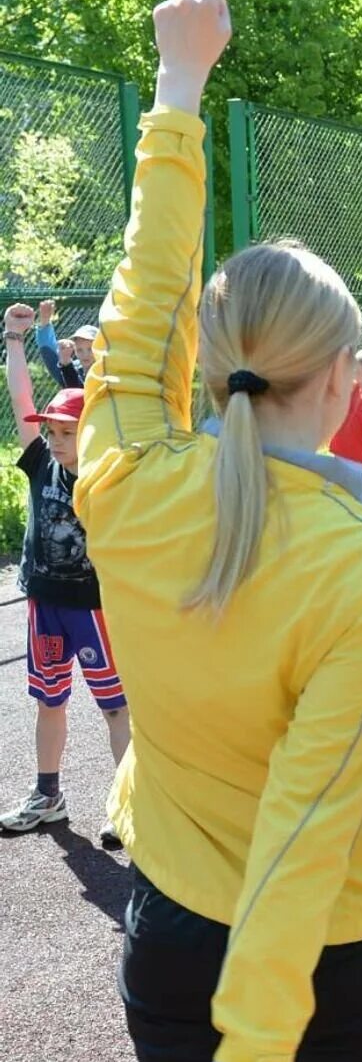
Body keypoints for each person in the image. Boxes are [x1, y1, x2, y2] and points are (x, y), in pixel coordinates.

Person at [72, 0, 362, 1062]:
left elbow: (139, 299)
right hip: (334, 959)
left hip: (173, 928)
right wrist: (260, 1042)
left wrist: (179, 89)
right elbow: (311, 819)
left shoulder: (124, 477)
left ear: (207, 363)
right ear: (348, 382)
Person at [2, 304, 130, 836]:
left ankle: (130, 808)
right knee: (49, 700)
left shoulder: (109, 472)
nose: (55, 440)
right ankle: (47, 794)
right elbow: (21, 399)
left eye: (66, 432)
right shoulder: (41, 464)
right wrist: (14, 339)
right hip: (44, 600)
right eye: (50, 431)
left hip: (94, 608)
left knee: (116, 708)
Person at [34, 298, 86, 390]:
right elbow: (48, 350)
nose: (86, 354)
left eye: (90, 348)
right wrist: (45, 321)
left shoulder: (109, 368)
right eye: (80, 349)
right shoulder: (71, 367)